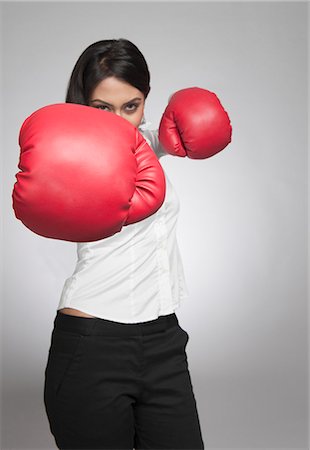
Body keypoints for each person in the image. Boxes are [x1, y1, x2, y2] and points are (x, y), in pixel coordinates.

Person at [13, 38, 231, 450]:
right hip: (92, 344)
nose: (119, 121)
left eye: (131, 106)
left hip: (165, 341)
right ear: (82, 105)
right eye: (102, 109)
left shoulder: (147, 142)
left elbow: (166, 140)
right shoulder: (69, 158)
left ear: (145, 99)